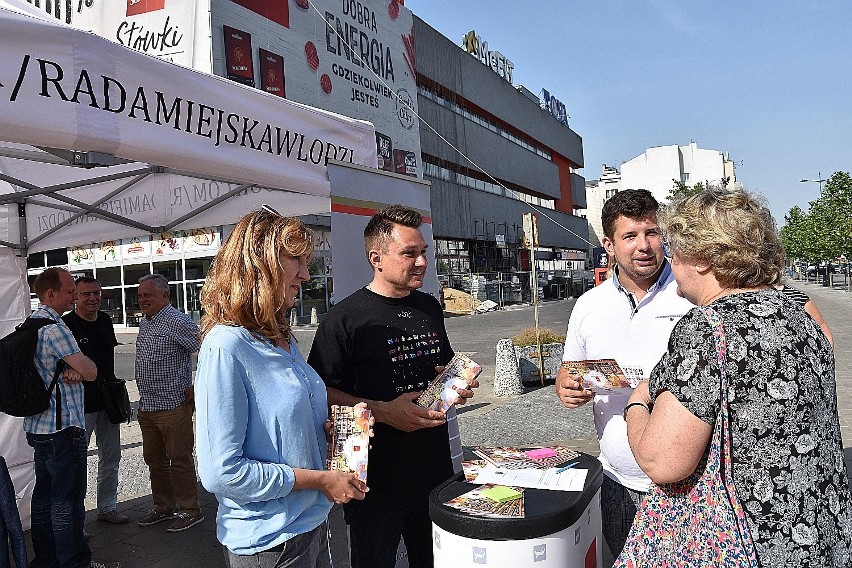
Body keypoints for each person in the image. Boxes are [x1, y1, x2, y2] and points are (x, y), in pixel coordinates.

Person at [624, 189, 852, 565]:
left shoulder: (709, 327)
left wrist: (636, 401)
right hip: (822, 530)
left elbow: (661, 461)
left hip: (746, 541)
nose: (669, 260)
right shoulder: (800, 313)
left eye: (673, 249)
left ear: (701, 258)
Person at [195, 207, 368, 567]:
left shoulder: (281, 337)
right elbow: (221, 473)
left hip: (311, 525)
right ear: (259, 265)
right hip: (270, 543)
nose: (306, 274)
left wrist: (337, 432)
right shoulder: (226, 346)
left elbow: (281, 424)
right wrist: (320, 479)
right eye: (296, 261)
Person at [308, 204, 478, 568]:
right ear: (376, 258)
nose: (421, 262)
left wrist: (454, 387)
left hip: (433, 473)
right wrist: (383, 412)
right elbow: (319, 393)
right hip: (371, 482)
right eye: (409, 253)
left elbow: (441, 368)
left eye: (423, 253)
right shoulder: (345, 319)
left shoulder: (429, 306)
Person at [554, 189, 693, 563]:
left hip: (687, 485)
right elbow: (570, 370)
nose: (644, 246)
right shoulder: (588, 305)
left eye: (652, 232)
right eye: (630, 236)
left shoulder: (690, 293)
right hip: (616, 481)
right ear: (609, 245)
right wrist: (566, 387)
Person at [25, 267, 120, 568]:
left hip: (38, 426)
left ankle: (47, 560)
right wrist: (81, 369)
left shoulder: (30, 325)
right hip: (63, 428)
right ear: (50, 294)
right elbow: (92, 371)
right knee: (67, 503)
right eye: (69, 291)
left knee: (43, 500)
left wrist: (75, 370)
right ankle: (76, 563)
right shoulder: (56, 329)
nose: (75, 296)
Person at [134, 273, 203, 532]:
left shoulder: (177, 321)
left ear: (165, 296)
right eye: (140, 295)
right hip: (147, 407)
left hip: (173, 405)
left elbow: (208, 349)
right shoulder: (146, 321)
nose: (142, 300)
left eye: (147, 295)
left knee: (180, 460)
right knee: (154, 460)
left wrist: (199, 385)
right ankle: (164, 506)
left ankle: (190, 510)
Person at [62, 276, 128, 526]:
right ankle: (75, 521)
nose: (93, 298)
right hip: (80, 404)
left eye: (96, 293)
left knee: (111, 457)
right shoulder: (66, 324)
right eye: (86, 294)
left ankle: (107, 508)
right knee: (77, 464)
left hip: (108, 402)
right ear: (76, 297)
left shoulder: (105, 320)